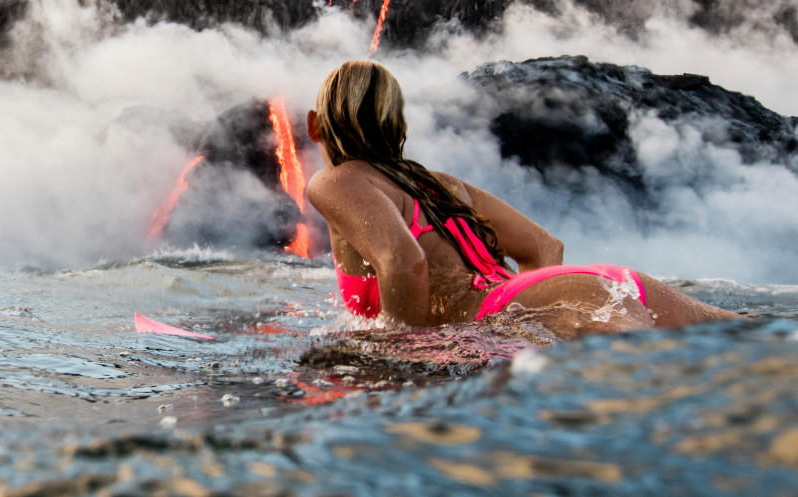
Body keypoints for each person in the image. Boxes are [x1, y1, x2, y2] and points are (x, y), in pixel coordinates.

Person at [305, 60, 740, 338]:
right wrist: (526, 317)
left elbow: (404, 261)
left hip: (558, 302)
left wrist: (405, 362)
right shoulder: (441, 185)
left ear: (314, 125)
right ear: (398, 124)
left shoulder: (336, 180)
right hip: (605, 284)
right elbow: (545, 247)